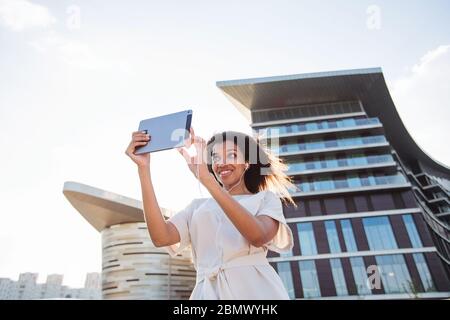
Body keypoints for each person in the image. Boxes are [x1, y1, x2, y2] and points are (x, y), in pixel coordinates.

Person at [125, 128, 296, 299]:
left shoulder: (265, 199)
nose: (221, 163)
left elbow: (258, 236)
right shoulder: (197, 208)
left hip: (255, 291)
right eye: (215, 157)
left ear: (247, 162)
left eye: (232, 155)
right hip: (207, 293)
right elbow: (160, 237)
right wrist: (143, 168)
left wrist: (207, 180)